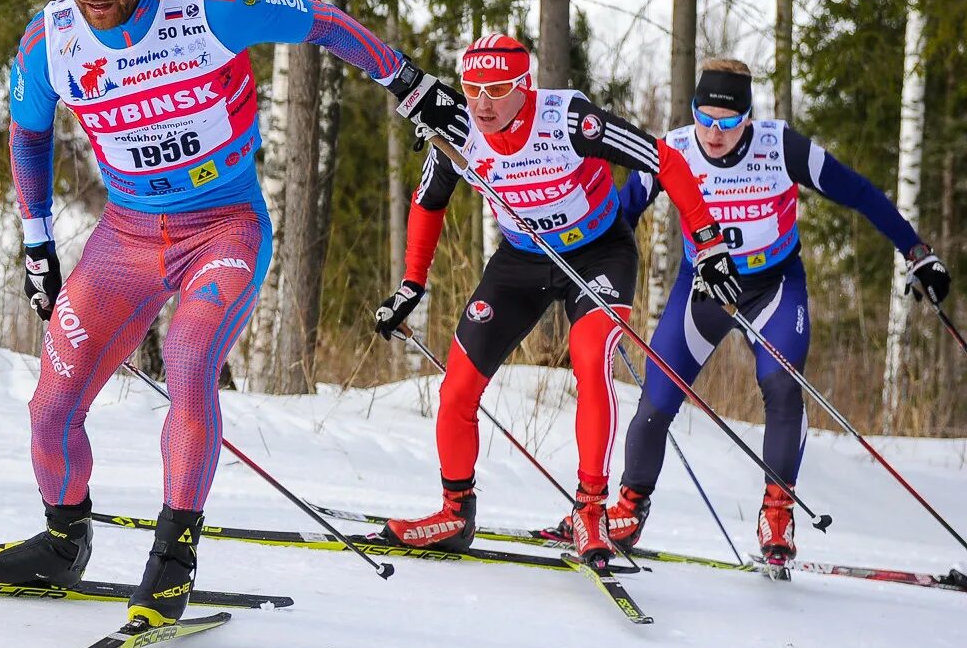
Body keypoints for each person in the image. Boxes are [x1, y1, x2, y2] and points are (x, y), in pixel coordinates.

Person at [0, 0, 465, 626]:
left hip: (224, 226)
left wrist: (407, 79)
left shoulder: (208, 2)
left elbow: (320, 23)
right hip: (127, 234)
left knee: (192, 354)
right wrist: (37, 242)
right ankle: (63, 542)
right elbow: (28, 136)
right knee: (50, 404)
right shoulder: (52, 39)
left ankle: (172, 561)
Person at [372, 33, 741, 566]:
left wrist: (707, 243)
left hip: (598, 254)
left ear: (525, 86)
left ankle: (591, 511)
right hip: (520, 262)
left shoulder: (570, 120)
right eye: (472, 88)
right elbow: (427, 202)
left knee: (590, 361)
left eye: (497, 89)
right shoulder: (456, 131)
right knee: (456, 387)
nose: (482, 102)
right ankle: (455, 511)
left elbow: (666, 161)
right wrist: (411, 284)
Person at [607, 58, 950, 563]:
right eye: (705, 117)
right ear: (693, 112)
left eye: (728, 121)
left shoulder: (780, 146)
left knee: (782, 386)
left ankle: (777, 511)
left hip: (773, 287)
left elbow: (858, 192)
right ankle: (630, 505)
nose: (714, 132)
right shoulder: (674, 148)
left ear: (748, 117)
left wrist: (916, 252)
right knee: (656, 401)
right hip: (702, 288)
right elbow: (623, 212)